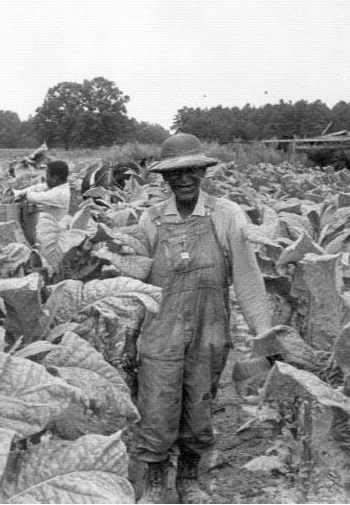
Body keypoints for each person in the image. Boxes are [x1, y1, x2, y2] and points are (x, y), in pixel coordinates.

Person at [122, 133, 272, 503]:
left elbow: (248, 279)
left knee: (199, 408)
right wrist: (128, 336)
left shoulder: (226, 214)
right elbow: (136, 283)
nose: (184, 179)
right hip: (160, 332)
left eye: (191, 170)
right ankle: (156, 484)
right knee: (156, 407)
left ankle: (189, 480)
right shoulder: (151, 218)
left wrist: (265, 334)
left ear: (203, 171)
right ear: (163, 178)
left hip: (210, 330)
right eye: (175, 173)